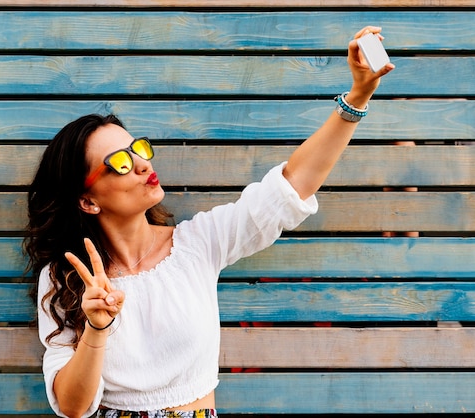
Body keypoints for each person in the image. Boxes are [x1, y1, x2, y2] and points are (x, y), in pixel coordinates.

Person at [23, 26, 394, 418]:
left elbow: (291, 186)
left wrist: (357, 97)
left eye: (138, 149)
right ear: (87, 200)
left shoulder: (196, 244)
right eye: (120, 162)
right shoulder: (67, 278)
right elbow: (72, 406)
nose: (143, 164)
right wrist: (96, 329)